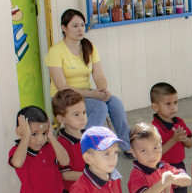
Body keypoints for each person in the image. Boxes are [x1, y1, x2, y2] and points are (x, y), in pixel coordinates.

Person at [45, 9, 132, 157]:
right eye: (75, 26)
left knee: (115, 103)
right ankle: (85, 145)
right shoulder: (55, 51)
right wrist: (93, 94)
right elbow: (62, 87)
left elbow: (99, 76)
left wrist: (102, 90)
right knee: (99, 107)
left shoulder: (89, 47)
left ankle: (127, 146)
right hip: (63, 98)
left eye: (82, 25)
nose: (80, 29)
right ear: (64, 28)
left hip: (87, 93)